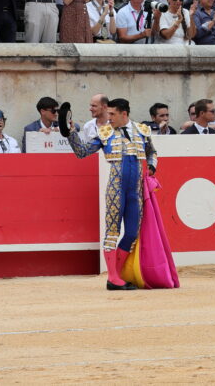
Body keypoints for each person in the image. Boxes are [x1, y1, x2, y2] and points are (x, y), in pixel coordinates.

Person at [62, 97, 161, 290]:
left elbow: (152, 152)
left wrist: (151, 166)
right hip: (116, 189)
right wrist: (70, 132)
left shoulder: (142, 130)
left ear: (124, 114)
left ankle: (115, 275)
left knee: (132, 233)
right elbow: (82, 152)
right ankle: (114, 278)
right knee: (112, 232)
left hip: (136, 191)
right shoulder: (104, 133)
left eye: (113, 114)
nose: (109, 118)